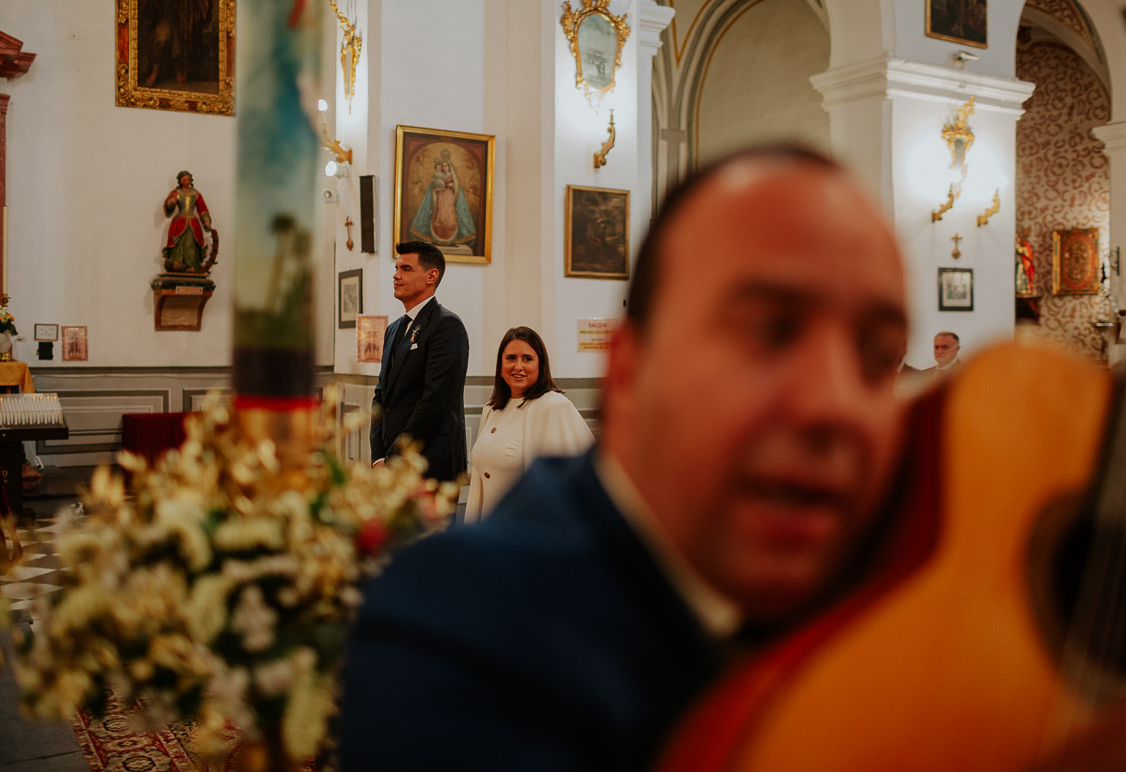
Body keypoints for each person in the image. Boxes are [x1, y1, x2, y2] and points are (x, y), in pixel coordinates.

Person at [337, 145, 910, 770]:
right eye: (769, 332)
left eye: (877, 355)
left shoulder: (910, 613)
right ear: (629, 373)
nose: (834, 407)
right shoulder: (457, 631)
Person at [465, 326, 595, 522]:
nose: (518, 366)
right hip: (492, 528)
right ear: (500, 367)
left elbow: (558, 489)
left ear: (540, 366)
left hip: (528, 531)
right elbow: (480, 483)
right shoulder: (491, 409)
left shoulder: (553, 407)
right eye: (511, 358)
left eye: (527, 359)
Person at [369, 240, 469, 483]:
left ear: (431, 276)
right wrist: (378, 456)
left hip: (428, 460)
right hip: (389, 459)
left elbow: (433, 401)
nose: (396, 276)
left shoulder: (446, 326)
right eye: (396, 268)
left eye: (406, 269)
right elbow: (381, 395)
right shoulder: (394, 329)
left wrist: (395, 458)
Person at [162, 170, 213, 273]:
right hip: (178, 223)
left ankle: (191, 268)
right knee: (177, 247)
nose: (187, 181)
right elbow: (168, 205)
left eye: (188, 179)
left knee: (191, 246)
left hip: (193, 224)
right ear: (180, 182)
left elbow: (202, 209)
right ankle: (176, 269)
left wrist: (206, 220)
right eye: (184, 180)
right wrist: (171, 203)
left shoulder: (196, 194)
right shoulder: (176, 193)